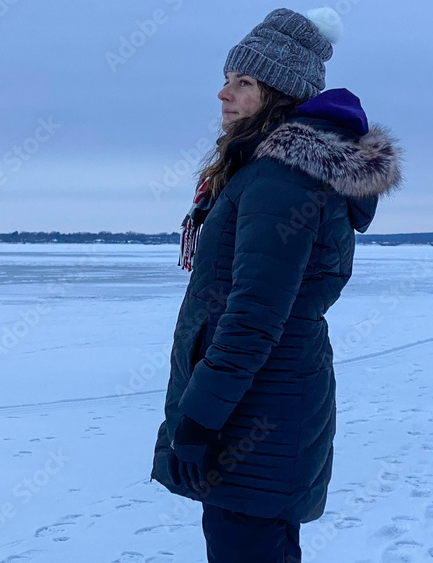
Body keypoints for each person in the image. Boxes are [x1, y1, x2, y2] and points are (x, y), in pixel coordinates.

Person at [149, 7, 404, 562]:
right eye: (226, 78)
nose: (223, 93)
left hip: (258, 417)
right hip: (261, 405)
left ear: (280, 94)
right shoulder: (265, 169)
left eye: (243, 82)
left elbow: (255, 315)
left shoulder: (280, 179)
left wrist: (198, 417)